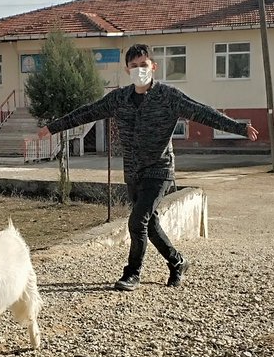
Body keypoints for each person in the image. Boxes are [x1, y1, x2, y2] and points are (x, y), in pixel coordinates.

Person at [47, 44, 259, 291]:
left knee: (137, 221)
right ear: (127, 70)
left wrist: (239, 127)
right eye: (134, 66)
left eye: (143, 65)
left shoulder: (168, 97)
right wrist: (51, 128)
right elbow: (87, 112)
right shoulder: (118, 99)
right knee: (150, 224)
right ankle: (177, 262)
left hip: (160, 169)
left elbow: (203, 112)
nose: (139, 70)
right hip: (133, 171)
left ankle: (132, 274)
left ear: (153, 67)